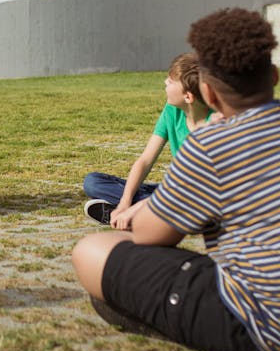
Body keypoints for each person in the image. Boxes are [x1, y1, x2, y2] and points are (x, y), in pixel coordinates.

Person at [72, 8, 280, 351]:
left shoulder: (211, 143)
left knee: (92, 251)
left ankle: (176, 323)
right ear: (274, 74)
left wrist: (138, 212)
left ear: (206, 90)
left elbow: (149, 236)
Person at [81, 52, 212, 228]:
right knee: (93, 182)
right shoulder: (172, 111)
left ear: (188, 97)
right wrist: (125, 203)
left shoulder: (215, 127)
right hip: (174, 191)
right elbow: (145, 160)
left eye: (171, 81)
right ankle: (152, 209)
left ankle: (147, 213)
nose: (165, 82)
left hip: (199, 196)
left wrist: (134, 208)